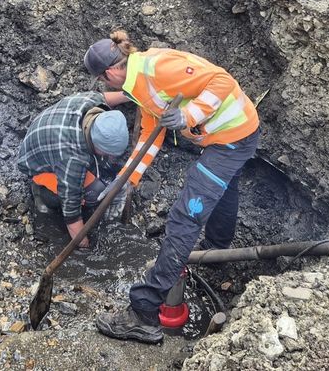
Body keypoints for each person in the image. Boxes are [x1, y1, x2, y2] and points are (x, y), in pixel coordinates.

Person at [84, 31, 260, 344]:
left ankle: (144, 312)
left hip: (232, 138)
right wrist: (128, 180)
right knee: (225, 187)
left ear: (110, 73)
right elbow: (151, 136)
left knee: (184, 218)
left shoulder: (157, 68)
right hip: (224, 137)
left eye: (101, 80)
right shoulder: (137, 86)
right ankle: (218, 253)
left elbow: (221, 81)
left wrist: (189, 115)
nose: (104, 86)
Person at [17, 91, 129, 248]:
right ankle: (41, 194)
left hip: (48, 131)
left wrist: (129, 94)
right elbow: (71, 206)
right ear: (95, 144)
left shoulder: (91, 101)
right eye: (107, 152)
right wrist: (83, 244)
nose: (110, 156)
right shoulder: (72, 159)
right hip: (36, 163)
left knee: (101, 173)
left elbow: (107, 96)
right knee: (93, 194)